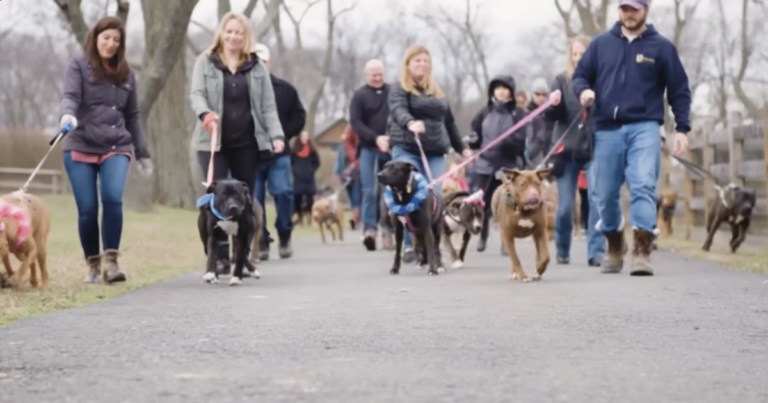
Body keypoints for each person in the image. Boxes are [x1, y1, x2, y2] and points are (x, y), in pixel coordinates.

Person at [572, 0, 691, 276]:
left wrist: (682, 129)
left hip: (645, 126)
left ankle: (642, 250)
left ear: (646, 10)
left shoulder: (661, 47)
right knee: (603, 193)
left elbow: (679, 90)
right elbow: (580, 76)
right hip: (606, 127)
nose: (628, 13)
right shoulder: (601, 44)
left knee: (643, 185)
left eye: (634, 8)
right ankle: (615, 245)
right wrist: (584, 91)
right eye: (624, 8)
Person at [58, 16, 153, 284]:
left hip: (116, 145)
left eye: (116, 40)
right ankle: (92, 264)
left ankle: (111, 263)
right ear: (95, 38)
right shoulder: (78, 66)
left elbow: (133, 116)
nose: (111, 44)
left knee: (112, 198)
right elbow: (71, 97)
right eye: (106, 38)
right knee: (87, 209)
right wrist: (67, 115)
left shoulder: (126, 74)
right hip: (81, 145)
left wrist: (143, 153)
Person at [189, 12, 284, 274]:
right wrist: (205, 114)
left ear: (246, 37)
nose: (233, 37)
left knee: (244, 202)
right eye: (229, 31)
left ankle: (240, 258)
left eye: (238, 33)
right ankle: (217, 257)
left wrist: (276, 135)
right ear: (222, 33)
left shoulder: (256, 66)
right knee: (214, 201)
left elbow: (267, 105)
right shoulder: (206, 61)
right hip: (212, 141)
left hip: (246, 143)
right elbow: (196, 94)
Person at [388, 45, 472, 262]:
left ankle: (430, 247)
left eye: (426, 60)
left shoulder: (437, 91)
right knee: (408, 193)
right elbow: (398, 110)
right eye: (417, 60)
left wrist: (462, 149)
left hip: (434, 151)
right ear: (407, 65)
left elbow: (450, 122)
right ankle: (407, 246)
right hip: (406, 149)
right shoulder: (399, 89)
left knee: (432, 198)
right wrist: (410, 123)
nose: (422, 64)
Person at [545, 34, 606, 267]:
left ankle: (596, 252)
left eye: (584, 53)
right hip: (566, 150)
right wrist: (555, 103)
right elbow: (552, 117)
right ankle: (562, 249)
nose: (579, 58)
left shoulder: (602, 80)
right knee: (565, 206)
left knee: (596, 198)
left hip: (594, 147)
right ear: (570, 56)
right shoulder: (561, 81)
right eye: (575, 54)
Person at [252, 43, 306, 260]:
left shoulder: (285, 90)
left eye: (262, 62)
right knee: (254, 199)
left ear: (269, 63)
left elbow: (299, 117)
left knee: (283, 192)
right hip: (252, 154)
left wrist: (283, 136)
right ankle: (261, 239)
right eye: (254, 62)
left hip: (279, 154)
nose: (259, 66)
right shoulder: (243, 89)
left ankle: (284, 232)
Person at [467, 75, 530, 253]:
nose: (501, 92)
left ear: (511, 91)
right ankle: (483, 235)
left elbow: (521, 139)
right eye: (498, 88)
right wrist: (473, 140)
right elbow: (475, 134)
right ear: (493, 91)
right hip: (485, 165)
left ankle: (506, 239)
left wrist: (508, 141)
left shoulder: (517, 113)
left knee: (508, 204)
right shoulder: (484, 112)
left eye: (505, 88)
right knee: (482, 204)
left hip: (507, 166)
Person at [349, 59, 391, 252]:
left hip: (391, 149)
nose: (377, 77)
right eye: (373, 74)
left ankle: (389, 230)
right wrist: (375, 138)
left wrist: (390, 138)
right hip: (369, 149)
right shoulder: (360, 96)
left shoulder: (393, 92)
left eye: (380, 73)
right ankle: (369, 229)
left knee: (390, 192)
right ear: (366, 75)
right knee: (370, 190)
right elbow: (356, 123)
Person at [332, 126, 362, 229]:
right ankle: (357, 218)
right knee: (352, 198)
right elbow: (339, 161)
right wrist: (336, 173)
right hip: (346, 176)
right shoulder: (343, 147)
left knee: (355, 197)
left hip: (357, 174)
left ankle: (355, 218)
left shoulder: (360, 145)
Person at [290, 131, 320, 226]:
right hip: (298, 179)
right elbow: (290, 162)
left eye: (306, 137)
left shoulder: (312, 151)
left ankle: (310, 218)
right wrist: (295, 170)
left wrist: (311, 170)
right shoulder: (294, 151)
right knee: (296, 199)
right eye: (303, 137)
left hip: (309, 179)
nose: (304, 138)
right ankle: (298, 217)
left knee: (310, 200)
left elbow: (317, 162)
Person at [525, 77, 555, 168]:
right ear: (532, 94)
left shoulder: (551, 113)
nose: (541, 98)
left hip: (549, 156)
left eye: (544, 95)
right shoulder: (526, 114)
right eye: (537, 94)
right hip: (530, 159)